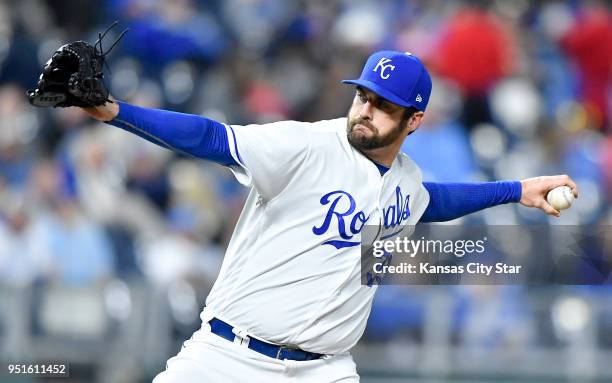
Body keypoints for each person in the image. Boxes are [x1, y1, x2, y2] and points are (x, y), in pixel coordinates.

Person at [81, 50, 578, 382]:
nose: (366, 110)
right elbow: (211, 138)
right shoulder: (305, 144)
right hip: (227, 357)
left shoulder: (405, 180)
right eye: (363, 96)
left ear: (415, 120)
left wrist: (516, 190)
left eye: (385, 106)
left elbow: (434, 199)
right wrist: (112, 109)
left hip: (324, 370)